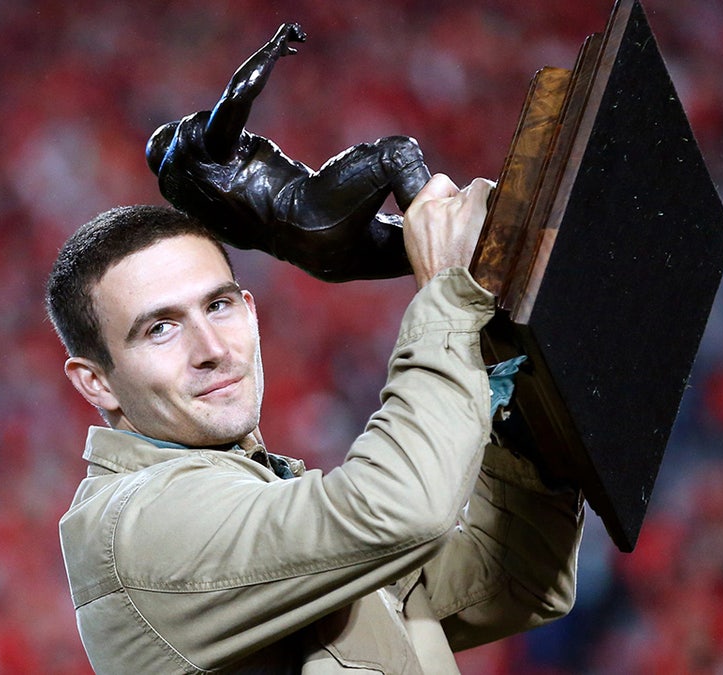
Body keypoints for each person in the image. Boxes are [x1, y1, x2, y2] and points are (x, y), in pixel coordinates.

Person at [45, 174, 585, 673]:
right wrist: (449, 294)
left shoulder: (265, 494)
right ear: (96, 382)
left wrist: (520, 410)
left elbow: (511, 580)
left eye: (219, 306)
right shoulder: (140, 525)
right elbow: (404, 509)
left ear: (251, 311)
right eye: (160, 329)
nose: (211, 349)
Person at [145, 22, 432, 282]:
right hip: (306, 210)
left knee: (432, 256)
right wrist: (271, 51)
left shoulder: (200, 208)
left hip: (317, 259)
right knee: (396, 155)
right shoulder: (202, 153)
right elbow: (236, 97)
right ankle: (446, 220)